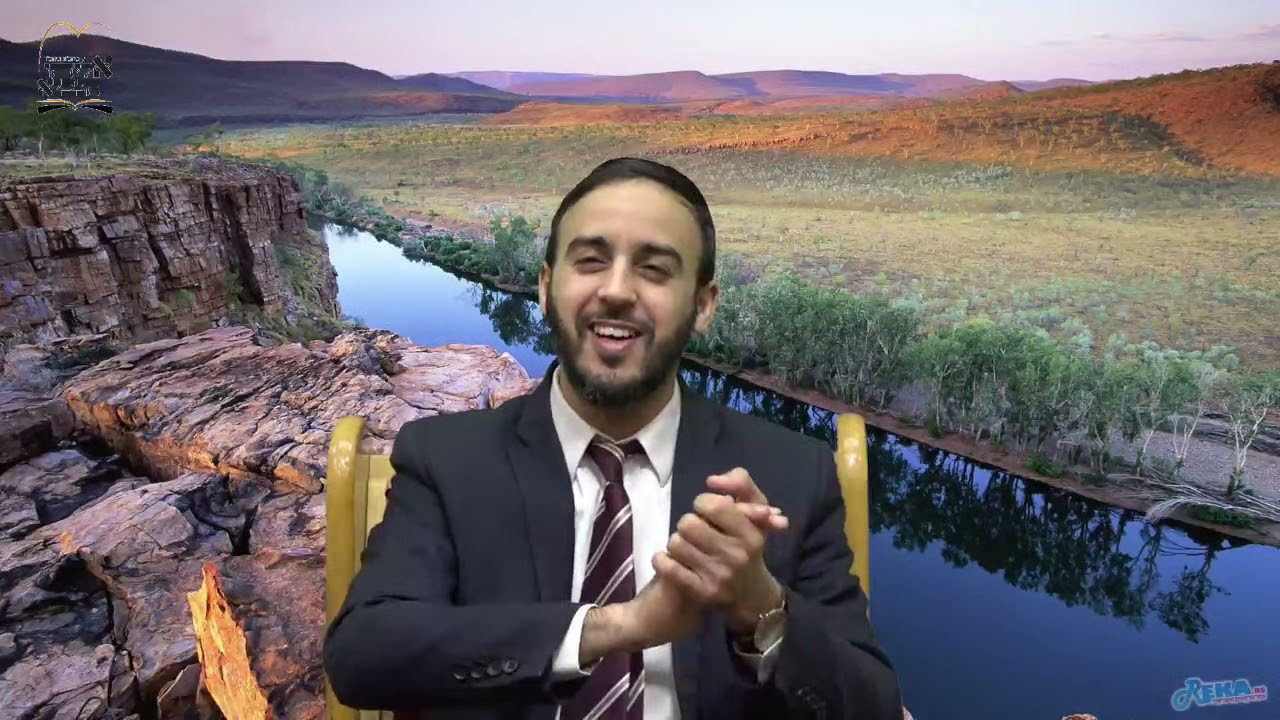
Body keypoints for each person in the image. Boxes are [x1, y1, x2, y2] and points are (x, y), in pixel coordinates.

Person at [323, 157, 903, 719]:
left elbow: (871, 707)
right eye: (590, 261)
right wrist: (615, 627)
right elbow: (363, 657)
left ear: (703, 305)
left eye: (654, 269)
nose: (618, 290)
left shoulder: (792, 475)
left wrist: (763, 609)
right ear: (546, 286)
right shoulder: (447, 460)